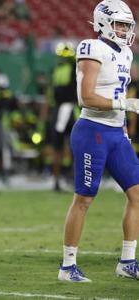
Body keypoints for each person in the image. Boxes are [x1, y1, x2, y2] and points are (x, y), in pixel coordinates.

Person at [58, 0, 139, 282]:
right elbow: (86, 97)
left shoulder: (126, 52)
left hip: (117, 133)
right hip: (93, 130)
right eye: (119, 24)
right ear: (103, 23)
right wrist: (125, 105)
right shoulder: (91, 47)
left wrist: (125, 126)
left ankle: (128, 261)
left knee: (137, 194)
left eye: (127, 25)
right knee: (84, 198)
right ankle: (67, 266)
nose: (124, 30)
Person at [51, 42, 77, 192]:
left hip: (57, 111)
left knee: (57, 148)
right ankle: (74, 180)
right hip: (71, 111)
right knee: (74, 147)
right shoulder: (74, 69)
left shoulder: (56, 70)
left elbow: (52, 93)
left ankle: (56, 181)